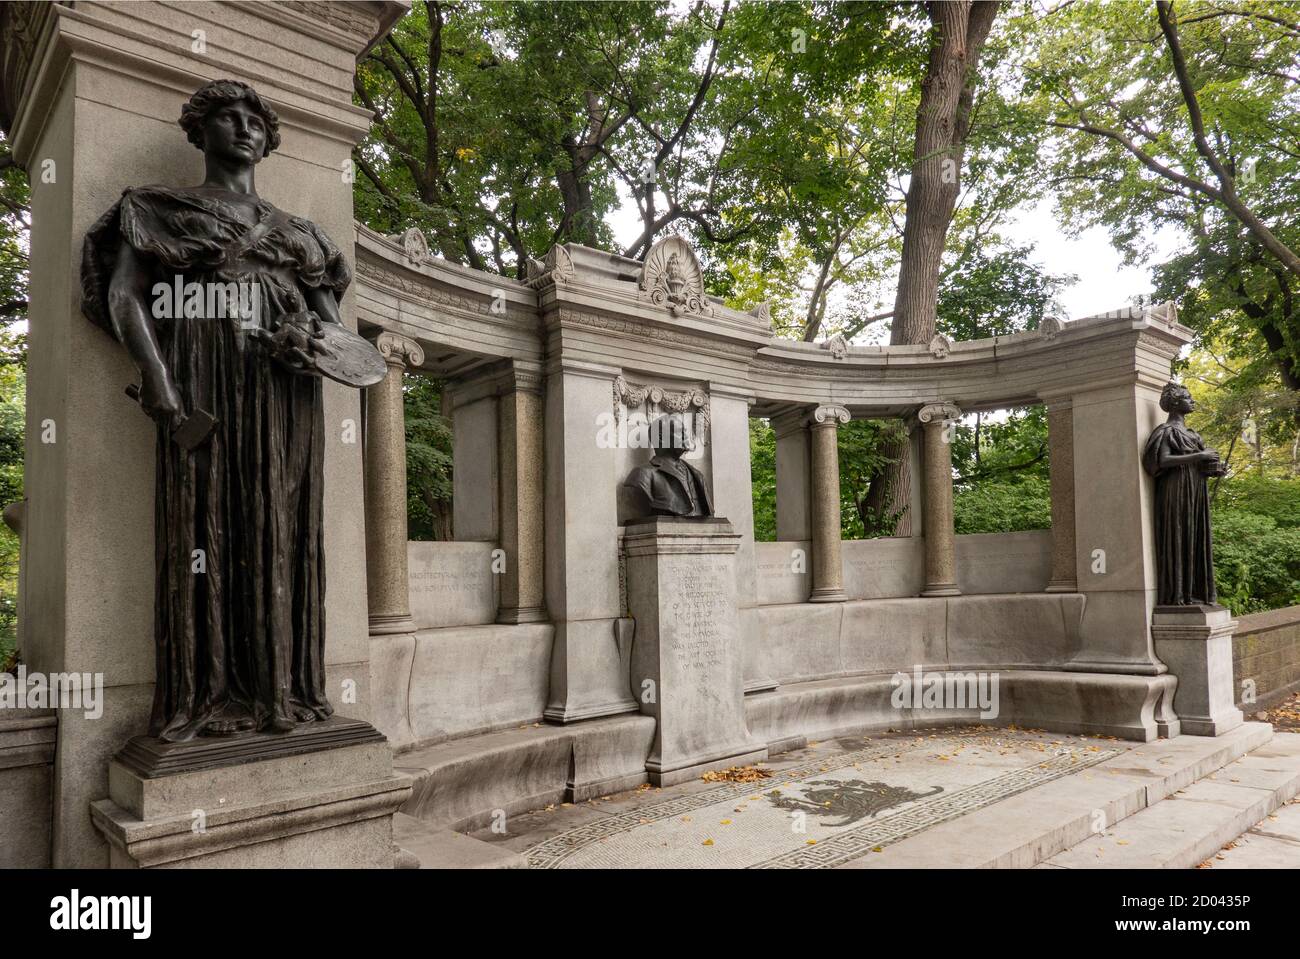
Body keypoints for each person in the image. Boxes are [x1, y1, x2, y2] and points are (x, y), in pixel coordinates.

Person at [81, 80, 354, 741]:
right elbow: (125, 298)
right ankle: (208, 694)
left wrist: (311, 347)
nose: (243, 127)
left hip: (284, 390)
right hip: (202, 372)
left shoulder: (302, 234)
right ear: (199, 132)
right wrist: (160, 381)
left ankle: (281, 689)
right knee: (205, 521)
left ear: (268, 137)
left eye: (253, 119)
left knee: (280, 524)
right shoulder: (158, 207)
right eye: (226, 117)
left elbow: (339, 337)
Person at [1142, 381, 1226, 607]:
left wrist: (1214, 468)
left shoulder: (1193, 434)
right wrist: (1199, 457)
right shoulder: (1166, 432)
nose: (1193, 401)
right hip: (1176, 488)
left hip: (1196, 489)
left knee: (1196, 535)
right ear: (1176, 404)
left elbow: (1202, 460)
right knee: (1180, 535)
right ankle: (1178, 595)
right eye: (1188, 398)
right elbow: (1162, 460)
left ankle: (1196, 592)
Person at [623, 413, 714, 518]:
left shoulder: (697, 475)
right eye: (680, 432)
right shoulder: (643, 474)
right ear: (661, 438)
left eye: (685, 432)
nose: (686, 436)